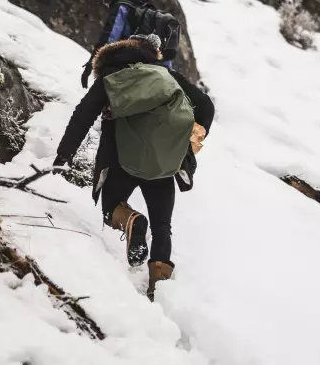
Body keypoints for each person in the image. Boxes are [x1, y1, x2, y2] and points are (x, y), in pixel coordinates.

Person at [54, 33, 214, 298]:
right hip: (162, 164)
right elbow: (205, 106)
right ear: (152, 53)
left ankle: (131, 220)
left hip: (121, 161)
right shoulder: (164, 74)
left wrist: (63, 157)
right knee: (162, 225)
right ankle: (158, 291)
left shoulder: (110, 78)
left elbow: (82, 115)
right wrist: (189, 143)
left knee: (111, 208)